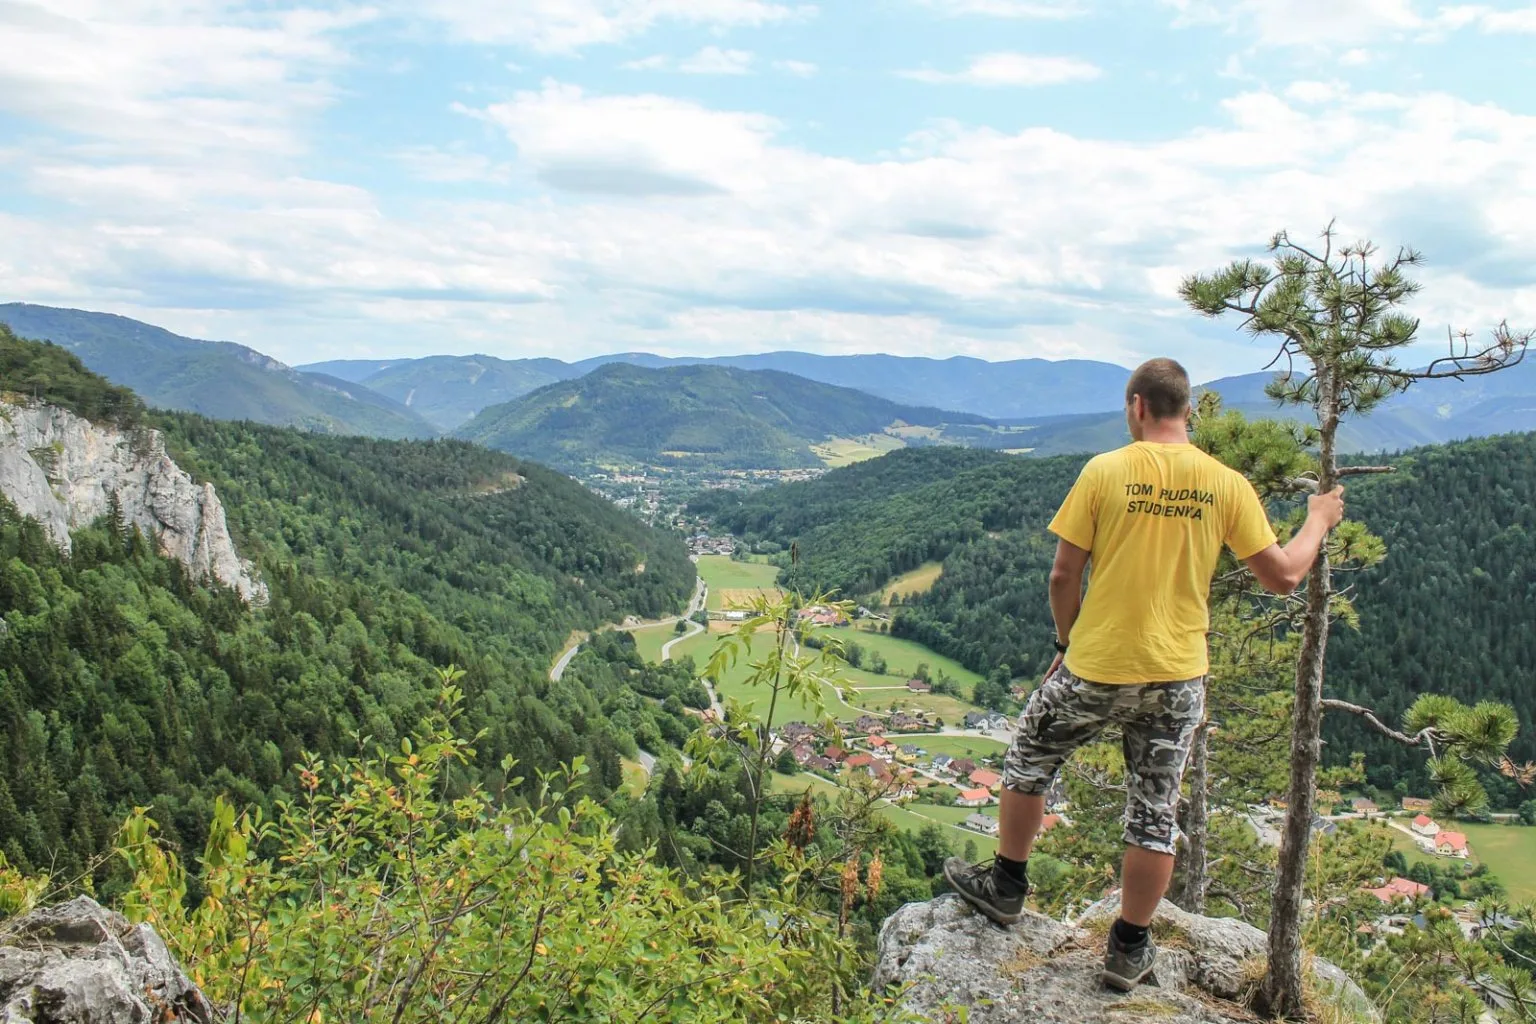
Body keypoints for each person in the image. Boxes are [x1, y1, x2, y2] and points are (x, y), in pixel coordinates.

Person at [944, 357, 1346, 992]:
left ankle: (1006, 885)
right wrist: (1318, 518)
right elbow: (1284, 575)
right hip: (1177, 674)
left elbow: (1062, 574)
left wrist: (1066, 640)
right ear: (1186, 411)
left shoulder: (1105, 471)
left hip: (1097, 663)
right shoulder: (1226, 483)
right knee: (1155, 810)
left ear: (1136, 406)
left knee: (1028, 758)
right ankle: (1129, 949)